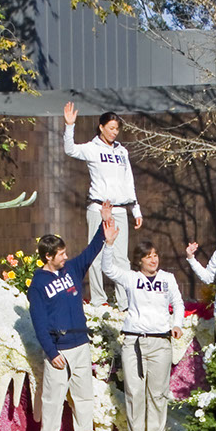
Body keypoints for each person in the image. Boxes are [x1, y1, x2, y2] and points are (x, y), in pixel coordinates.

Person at [101, 218, 183, 431]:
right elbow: (108, 270)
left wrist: (177, 323)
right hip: (134, 342)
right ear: (140, 260)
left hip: (160, 342)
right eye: (148, 256)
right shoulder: (131, 278)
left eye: (156, 255)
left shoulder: (167, 278)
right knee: (135, 393)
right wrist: (109, 244)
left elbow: (177, 303)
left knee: (157, 395)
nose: (153, 259)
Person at [29, 206, 110, 431]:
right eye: (60, 254)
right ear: (47, 257)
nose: (65, 257)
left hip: (80, 344)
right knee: (53, 399)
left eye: (65, 252)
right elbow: (39, 322)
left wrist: (103, 226)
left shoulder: (71, 269)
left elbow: (91, 252)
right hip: (58, 350)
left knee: (84, 396)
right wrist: (52, 353)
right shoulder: (38, 284)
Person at [64, 102, 142, 305]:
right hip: (98, 208)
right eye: (111, 128)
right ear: (101, 127)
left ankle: (124, 301)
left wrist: (136, 209)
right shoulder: (92, 148)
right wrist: (69, 125)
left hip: (120, 209)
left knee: (121, 258)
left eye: (117, 129)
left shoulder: (122, 152)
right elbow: (70, 150)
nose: (114, 132)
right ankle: (99, 299)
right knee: (96, 254)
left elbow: (128, 181)